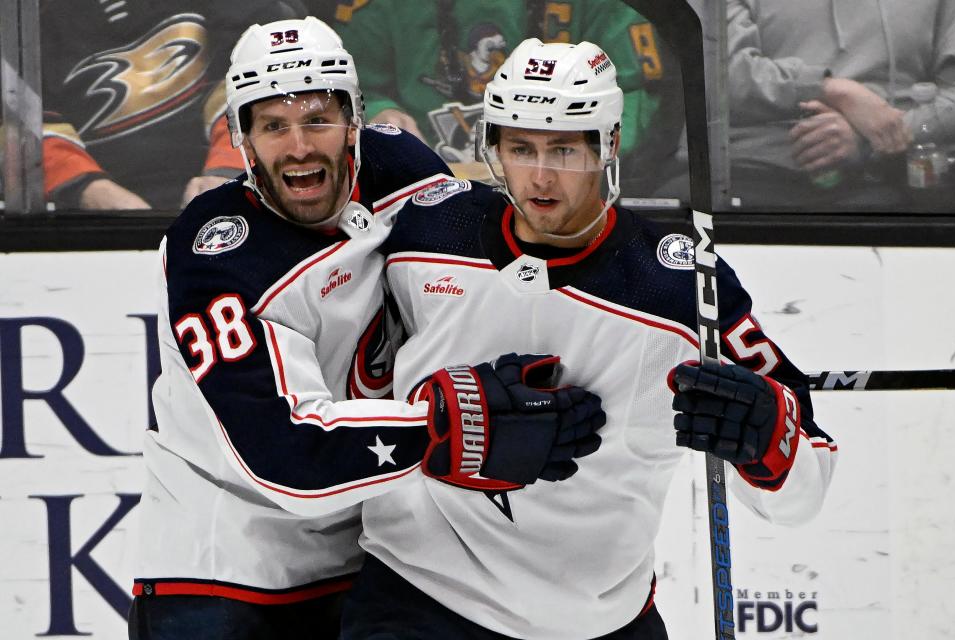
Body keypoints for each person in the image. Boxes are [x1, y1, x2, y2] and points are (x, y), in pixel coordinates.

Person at [341, 38, 838, 639]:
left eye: (565, 149)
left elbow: (801, 492)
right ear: (491, 146)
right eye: (520, 148)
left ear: (609, 145)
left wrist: (769, 441)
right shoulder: (422, 233)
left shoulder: (680, 292)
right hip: (417, 597)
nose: (541, 176)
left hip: (601, 621)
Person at [128, 18, 605, 640]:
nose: (298, 146)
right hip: (224, 577)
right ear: (243, 139)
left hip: (370, 561)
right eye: (274, 126)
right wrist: (453, 425)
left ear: (354, 118)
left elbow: (475, 281)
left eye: (317, 120)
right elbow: (287, 455)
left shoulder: (399, 166)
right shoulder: (216, 252)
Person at [330, 0, 683, 194]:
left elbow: (639, 94)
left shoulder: (604, 6)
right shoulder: (375, 8)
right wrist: (379, 112)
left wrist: (577, 147)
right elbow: (346, 86)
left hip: (567, 194)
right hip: (423, 197)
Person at [39, 1, 306, 211]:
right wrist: (89, 190)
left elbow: (278, 78)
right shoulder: (32, 20)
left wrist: (229, 170)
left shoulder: (246, 9)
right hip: (88, 224)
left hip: (240, 194)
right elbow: (20, 121)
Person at [727, 0, 955, 210]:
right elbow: (715, 71)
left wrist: (869, 139)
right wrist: (830, 89)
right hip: (752, 181)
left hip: (890, 188)